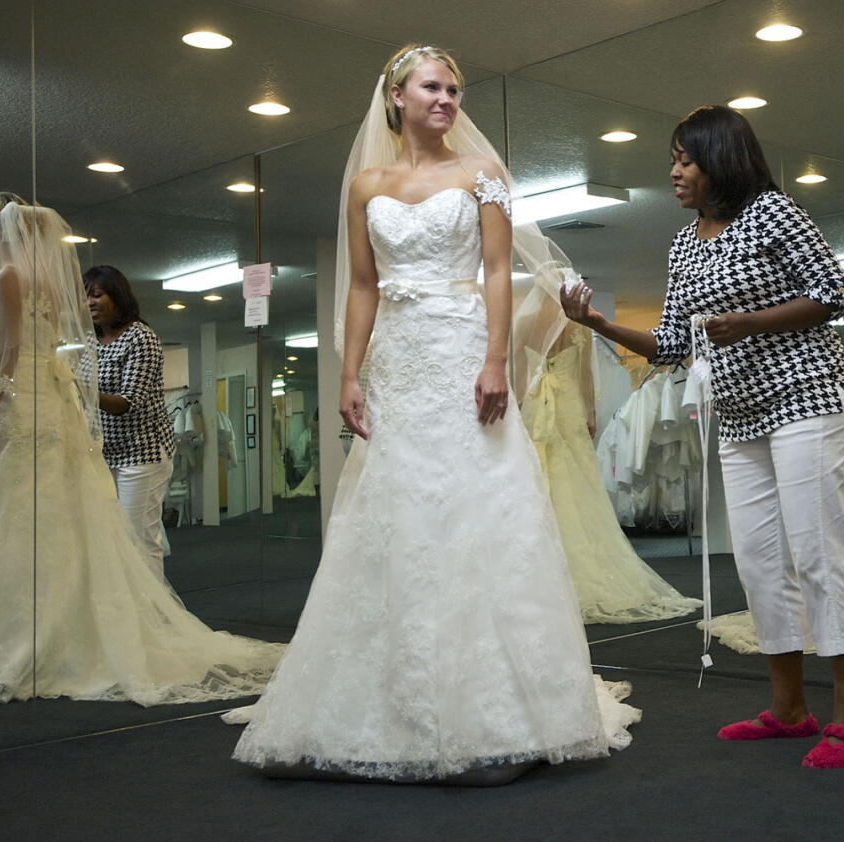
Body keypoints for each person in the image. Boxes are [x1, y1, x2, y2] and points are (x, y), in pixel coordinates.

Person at [230, 45, 639, 784]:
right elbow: (362, 286)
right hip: (397, 358)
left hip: (459, 349)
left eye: (454, 88)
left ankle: (496, 705)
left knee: (475, 504)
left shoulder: (481, 175)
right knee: (397, 513)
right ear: (396, 96)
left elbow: (495, 273)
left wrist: (493, 360)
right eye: (432, 87)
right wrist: (350, 373)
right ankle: (388, 700)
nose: (447, 98)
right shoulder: (366, 185)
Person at [562, 105, 844, 769]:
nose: (674, 173)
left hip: (806, 399)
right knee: (760, 563)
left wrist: (754, 322)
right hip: (738, 415)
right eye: (672, 161)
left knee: (819, 553)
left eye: (685, 160)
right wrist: (595, 322)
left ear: (719, 160)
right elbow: (674, 342)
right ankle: (790, 708)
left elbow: (834, 290)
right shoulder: (683, 242)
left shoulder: (773, 212)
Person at [0, 192, 283, 704]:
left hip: (28, 407)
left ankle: (27, 636)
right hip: (47, 405)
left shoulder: (12, 279)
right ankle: (60, 629)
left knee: (23, 515)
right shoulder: (45, 284)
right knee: (55, 519)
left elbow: (10, 352)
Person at [520, 320, 701, 623]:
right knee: (575, 484)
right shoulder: (574, 323)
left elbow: (522, 370)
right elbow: (585, 376)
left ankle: (538, 573)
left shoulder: (526, 321)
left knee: (542, 478)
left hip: (535, 405)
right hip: (564, 404)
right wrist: (590, 410)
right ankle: (572, 566)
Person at [84, 265, 177, 579]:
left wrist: (81, 389)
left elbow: (128, 403)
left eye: (97, 295)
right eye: (85, 298)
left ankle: (154, 620)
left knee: (138, 539)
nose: (90, 303)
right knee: (114, 542)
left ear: (117, 296)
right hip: (106, 454)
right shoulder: (90, 342)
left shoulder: (141, 337)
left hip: (143, 453)